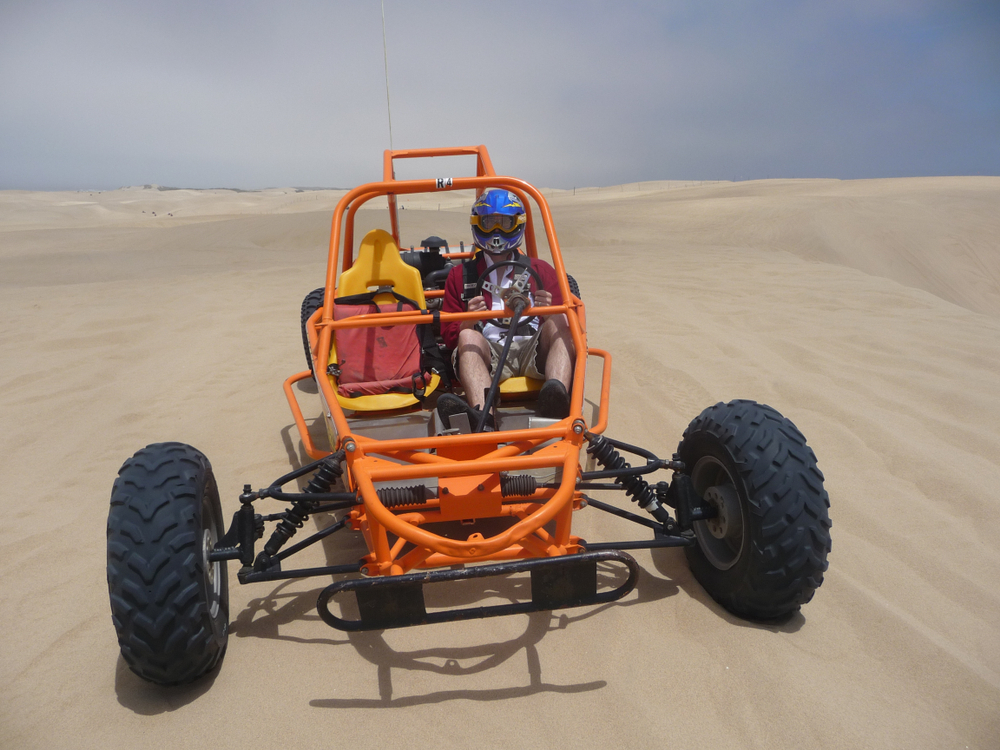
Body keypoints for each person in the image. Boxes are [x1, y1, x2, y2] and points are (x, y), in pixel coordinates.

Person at [437, 189, 576, 429]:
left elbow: (572, 326)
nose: (496, 232)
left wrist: (550, 310)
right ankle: (483, 416)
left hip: (532, 351)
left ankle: (556, 403)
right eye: (489, 223)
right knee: (467, 335)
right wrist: (468, 321)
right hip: (488, 355)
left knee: (561, 320)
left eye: (504, 223)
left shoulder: (540, 270)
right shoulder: (460, 276)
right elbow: (450, 337)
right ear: (478, 225)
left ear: (517, 224)